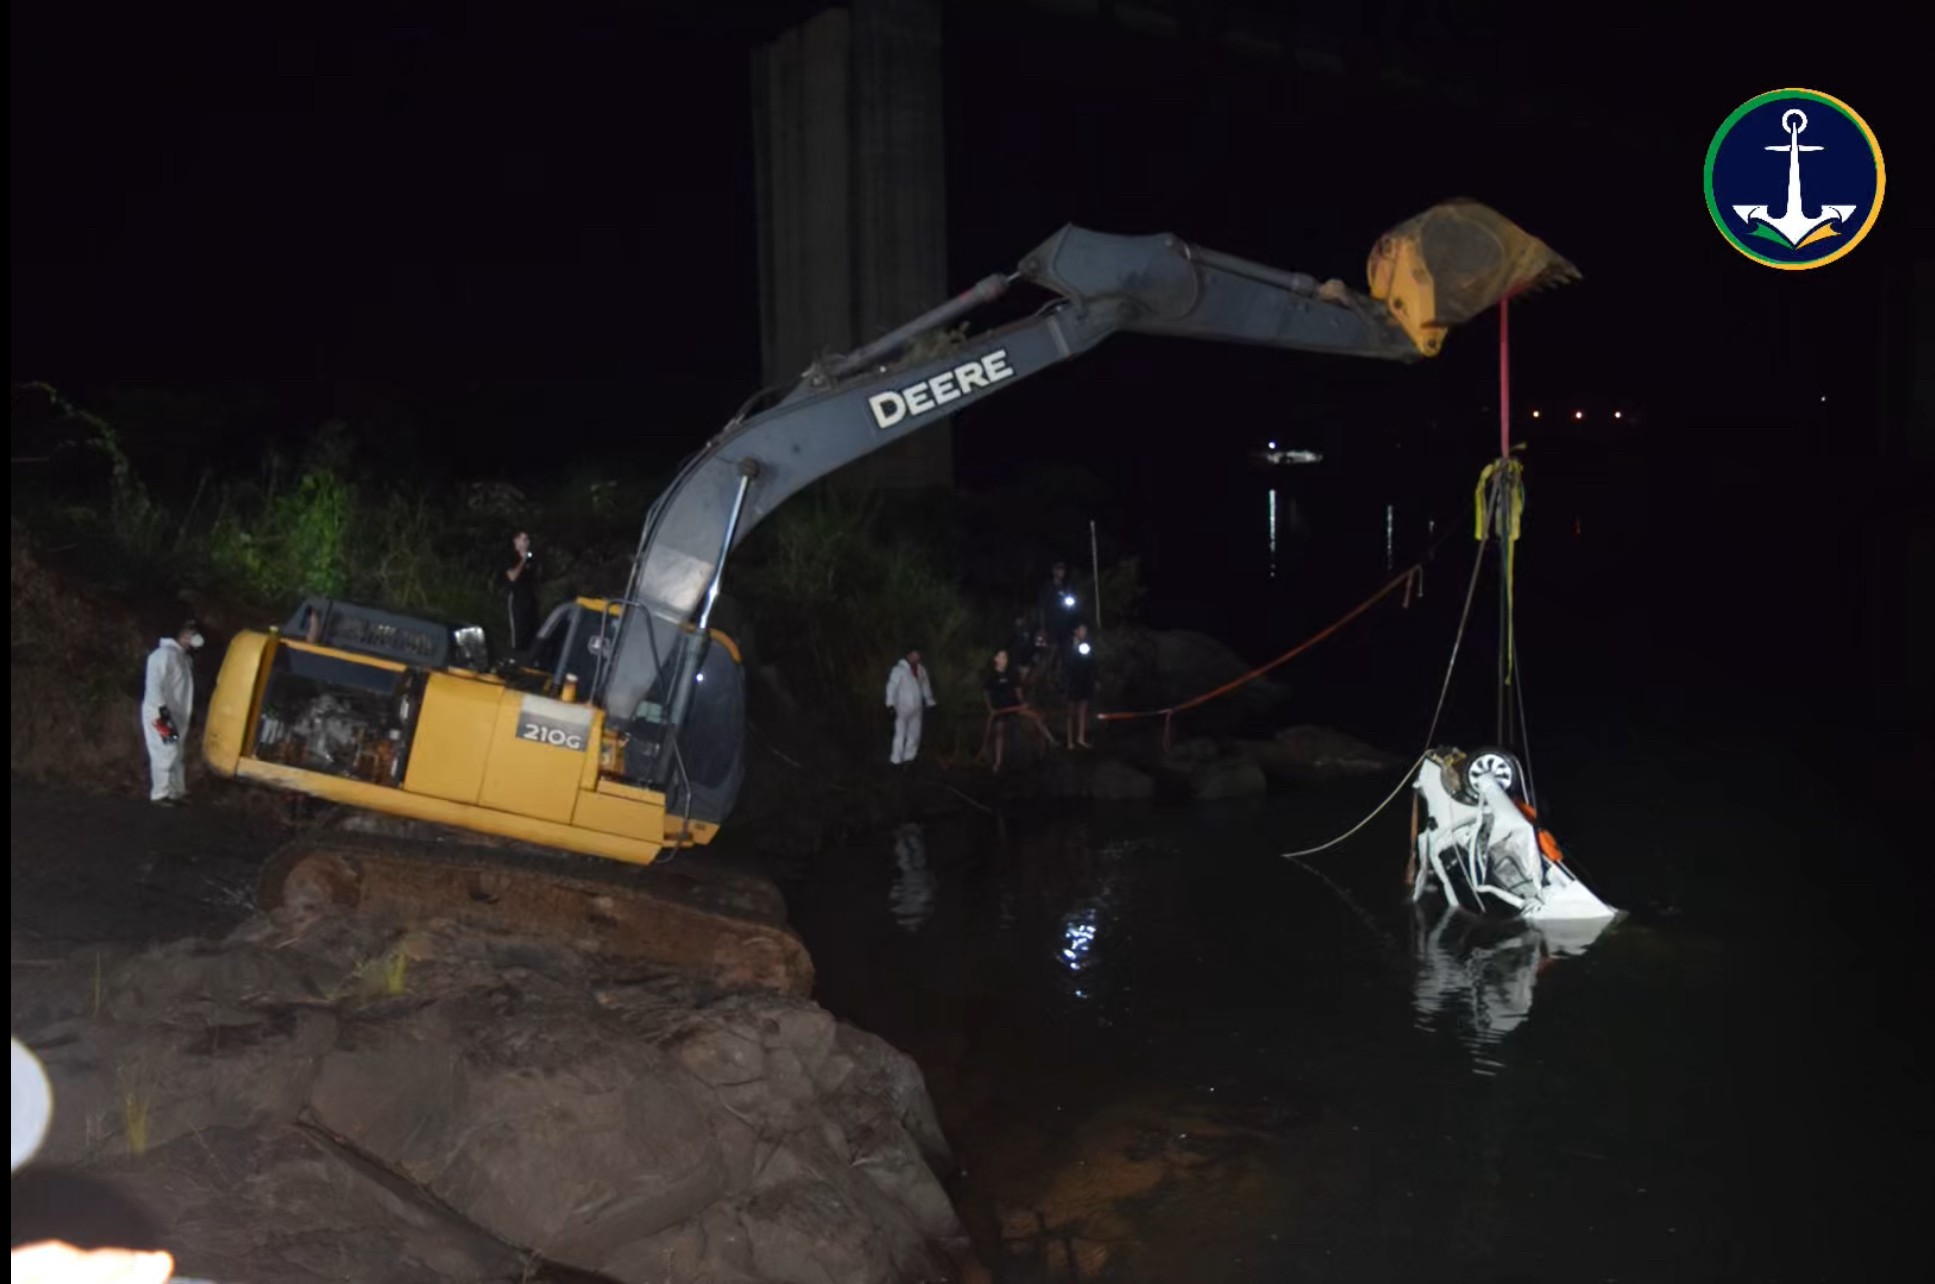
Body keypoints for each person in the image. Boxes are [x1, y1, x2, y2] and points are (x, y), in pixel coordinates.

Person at [140, 620, 202, 805]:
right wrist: (162, 715)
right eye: (188, 632)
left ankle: (176, 791)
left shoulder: (183, 658)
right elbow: (154, 687)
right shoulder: (162, 655)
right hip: (160, 713)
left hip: (177, 714)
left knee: (176, 752)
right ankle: (160, 793)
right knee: (167, 750)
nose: (191, 636)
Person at [982, 648, 1057, 772]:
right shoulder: (991, 676)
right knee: (999, 731)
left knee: (1035, 716)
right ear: (996, 659)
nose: (1004, 660)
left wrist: (1022, 703)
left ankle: (1051, 741)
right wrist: (990, 709)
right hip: (999, 709)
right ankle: (998, 761)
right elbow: (986, 693)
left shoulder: (1012, 674)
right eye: (1001, 657)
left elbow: (1018, 692)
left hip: (1014, 707)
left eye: (1005, 657)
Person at [885, 645, 937, 765]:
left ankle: (909, 758)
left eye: (918, 654)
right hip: (902, 707)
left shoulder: (920, 670)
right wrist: (890, 704)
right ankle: (896, 760)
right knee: (900, 734)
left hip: (917, 707)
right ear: (908, 655)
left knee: (914, 734)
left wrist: (930, 702)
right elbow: (891, 687)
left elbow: (925, 686)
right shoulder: (899, 670)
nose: (916, 657)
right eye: (914, 654)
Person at [503, 530, 540, 653]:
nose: (526, 543)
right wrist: (522, 561)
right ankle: (514, 652)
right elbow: (512, 577)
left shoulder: (531, 558)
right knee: (517, 630)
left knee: (530, 629)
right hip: (517, 598)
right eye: (524, 540)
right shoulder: (511, 556)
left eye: (528, 540)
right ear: (516, 541)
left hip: (529, 598)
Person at [1063, 622, 1097, 749]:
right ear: (1076, 631)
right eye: (1082, 630)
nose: (1084, 632)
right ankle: (1069, 740)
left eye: (1085, 630)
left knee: (1083, 709)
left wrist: (1095, 679)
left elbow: (1092, 662)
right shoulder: (1069, 645)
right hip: (1073, 681)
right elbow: (1067, 663)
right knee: (1070, 712)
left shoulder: (1087, 645)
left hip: (1085, 681)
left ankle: (1080, 738)